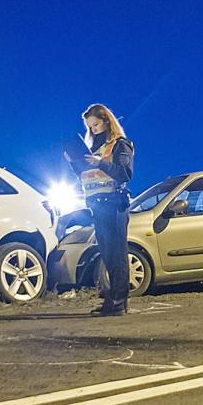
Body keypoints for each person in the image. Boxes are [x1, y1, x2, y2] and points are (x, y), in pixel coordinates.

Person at [71, 104, 134, 316]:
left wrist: (100, 163)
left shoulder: (120, 145)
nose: (94, 129)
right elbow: (87, 177)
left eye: (96, 124)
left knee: (117, 254)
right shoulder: (94, 149)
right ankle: (111, 300)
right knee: (107, 255)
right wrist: (74, 163)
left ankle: (119, 302)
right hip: (97, 206)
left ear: (107, 121)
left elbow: (125, 173)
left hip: (114, 203)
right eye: (90, 127)